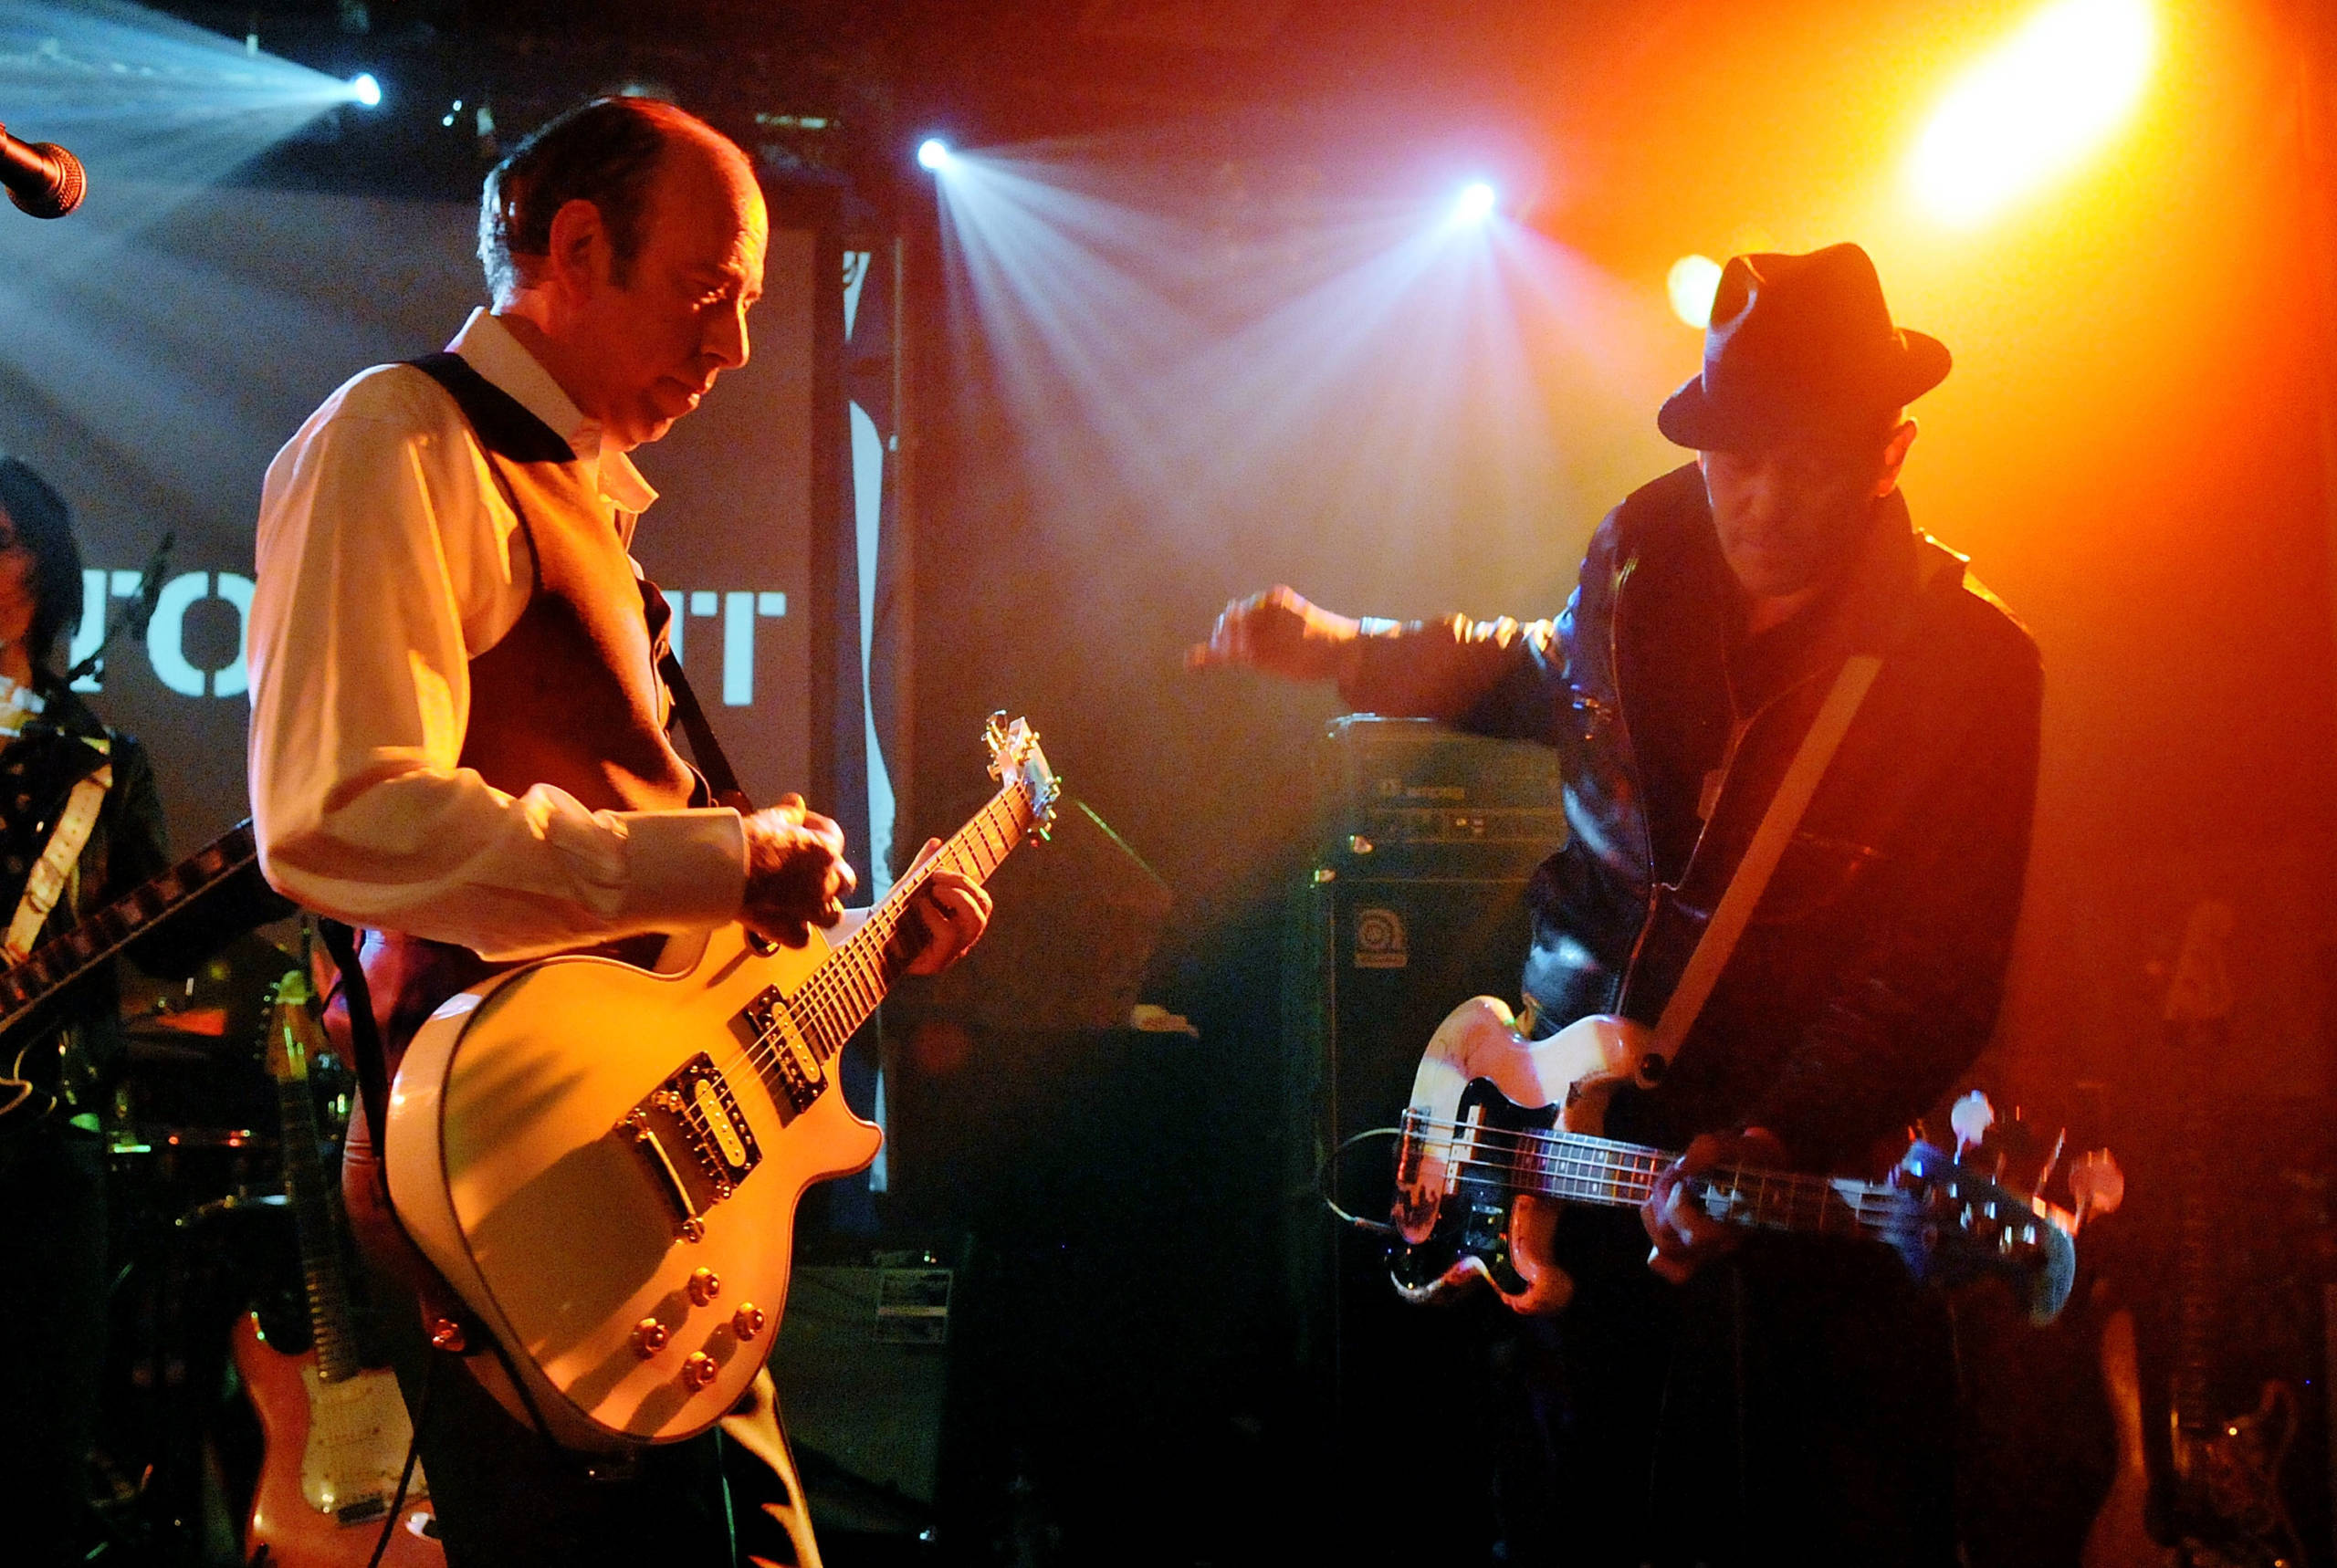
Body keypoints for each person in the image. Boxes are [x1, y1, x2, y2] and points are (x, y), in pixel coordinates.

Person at [1194, 244, 2041, 1564]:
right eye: (1730, 455)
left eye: (1800, 459)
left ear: (1890, 451)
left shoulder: (1971, 668)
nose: (1753, 498)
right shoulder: (1642, 553)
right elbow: (1542, 669)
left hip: (1791, 1219)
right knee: (1559, 1514)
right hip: (1570, 1143)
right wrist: (1348, 650)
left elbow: (1938, 969)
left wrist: (1777, 1126)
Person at [245, 97, 991, 1567]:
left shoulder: (584, 497)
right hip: (526, 1196)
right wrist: (718, 857)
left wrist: (853, 941)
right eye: (712, 295)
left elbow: (639, 922)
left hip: (647, 1184)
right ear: (575, 247)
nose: (735, 349)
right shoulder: (400, 437)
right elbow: (339, 811)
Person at [0, 457, 180, 1564]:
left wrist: (272, 872)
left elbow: (157, 937)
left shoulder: (102, 765)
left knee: (35, 1450)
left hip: (39, 1150)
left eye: (4, 540)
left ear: (47, 569)